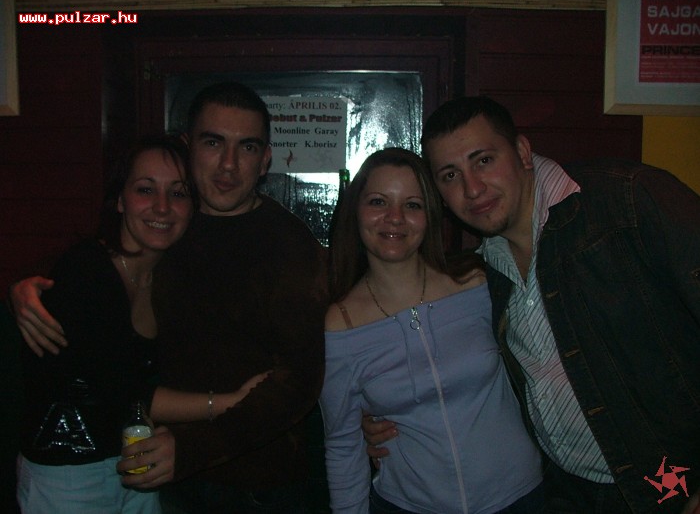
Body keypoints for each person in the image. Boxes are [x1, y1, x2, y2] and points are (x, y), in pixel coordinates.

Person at [362, 97, 700, 513]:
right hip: (563, 490)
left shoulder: (625, 201)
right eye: (450, 175)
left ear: (522, 152)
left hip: (669, 484)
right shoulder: (484, 270)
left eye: (484, 160)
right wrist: (385, 415)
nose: (472, 188)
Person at [12, 83, 327, 512]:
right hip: (157, 479)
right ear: (188, 146)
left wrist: (194, 447)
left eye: (247, 147)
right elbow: (100, 283)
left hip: (255, 487)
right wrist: (29, 290)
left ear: (266, 159)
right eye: (213, 142)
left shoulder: (290, 247)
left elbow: (299, 381)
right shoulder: (172, 225)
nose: (229, 164)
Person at [321, 147, 543, 514]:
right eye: (378, 202)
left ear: (430, 217)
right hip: (407, 506)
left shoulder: (477, 284)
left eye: (412, 205)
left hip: (521, 498)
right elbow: (343, 445)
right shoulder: (340, 325)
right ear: (355, 211)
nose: (395, 218)